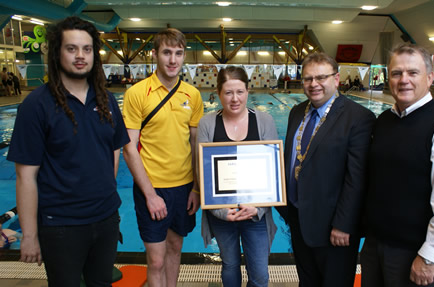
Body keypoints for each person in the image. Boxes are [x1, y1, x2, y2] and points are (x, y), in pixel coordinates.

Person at [7, 16, 130, 286]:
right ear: (57, 52)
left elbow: (114, 149)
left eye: (86, 49)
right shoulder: (37, 105)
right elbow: (25, 176)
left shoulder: (106, 99)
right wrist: (29, 235)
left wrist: (107, 195)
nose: (80, 56)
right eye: (71, 49)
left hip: (106, 218)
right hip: (61, 225)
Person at [361, 43, 434, 287]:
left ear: (430, 78)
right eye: (396, 73)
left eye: (413, 73)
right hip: (375, 245)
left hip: (414, 253)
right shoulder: (385, 120)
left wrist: (430, 256)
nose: (404, 80)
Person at [277, 52, 375, 286]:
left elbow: (357, 178)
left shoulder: (358, 117)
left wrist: (343, 225)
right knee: (307, 281)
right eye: (308, 79)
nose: (314, 84)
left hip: (334, 228)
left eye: (321, 77)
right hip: (299, 219)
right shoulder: (297, 111)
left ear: (336, 79)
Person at [122, 28, 203, 287]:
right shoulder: (137, 93)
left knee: (175, 247)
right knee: (155, 260)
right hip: (152, 186)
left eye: (178, 53)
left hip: (182, 187)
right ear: (154, 54)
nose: (173, 60)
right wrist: (150, 194)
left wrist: (196, 187)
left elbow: (195, 143)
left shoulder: (193, 94)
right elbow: (129, 148)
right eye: (167, 52)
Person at [197, 66, 278, 286]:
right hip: (222, 214)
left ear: (248, 91)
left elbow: (273, 173)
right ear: (219, 93)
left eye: (240, 92)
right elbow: (202, 172)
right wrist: (222, 212)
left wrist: (258, 208)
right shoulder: (207, 123)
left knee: (260, 275)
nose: (235, 99)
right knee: (230, 265)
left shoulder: (264, 121)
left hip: (255, 214)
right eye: (228, 92)